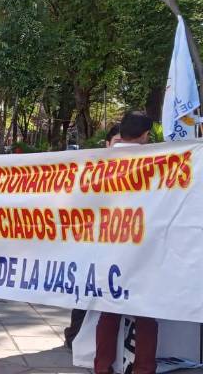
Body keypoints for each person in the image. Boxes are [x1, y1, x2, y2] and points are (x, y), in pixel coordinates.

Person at [94, 113, 156, 374]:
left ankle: (102, 367)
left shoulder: (99, 161)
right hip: (144, 247)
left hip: (108, 246)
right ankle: (144, 368)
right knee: (147, 313)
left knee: (109, 311)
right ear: (144, 135)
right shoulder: (155, 161)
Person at [63, 123, 121, 350]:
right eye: (117, 142)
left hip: (122, 244)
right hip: (91, 241)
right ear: (107, 144)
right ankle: (75, 336)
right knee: (86, 291)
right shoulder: (93, 170)